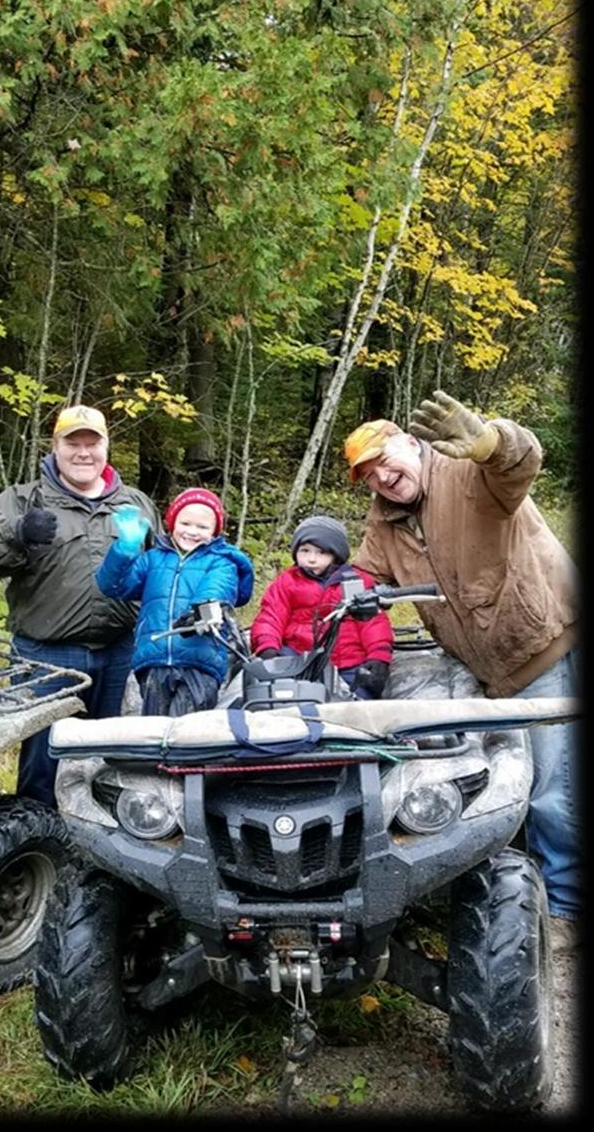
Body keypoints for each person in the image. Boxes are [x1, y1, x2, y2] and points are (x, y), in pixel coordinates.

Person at [344, 390, 581, 951]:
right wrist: (312, 592)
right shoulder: (386, 519)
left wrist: (491, 441)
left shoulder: (469, 474)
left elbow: (521, 460)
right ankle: (522, 893)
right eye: (368, 474)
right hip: (485, 671)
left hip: (544, 647)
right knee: (505, 783)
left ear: (411, 443)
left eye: (384, 460)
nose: (381, 477)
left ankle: (567, 908)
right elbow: (361, 576)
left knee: (553, 788)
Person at [0, 404, 161, 807]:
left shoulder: (136, 504)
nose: (83, 452)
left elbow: (165, 567)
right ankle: (39, 833)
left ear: (106, 447)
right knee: (44, 759)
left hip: (121, 652)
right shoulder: (24, 499)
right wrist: (17, 532)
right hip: (47, 656)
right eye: (73, 443)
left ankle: (104, 832)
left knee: (114, 756)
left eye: (93, 443)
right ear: (55, 446)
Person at [95, 487, 254, 716]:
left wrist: (200, 610)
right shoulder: (152, 559)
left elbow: (218, 588)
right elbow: (112, 585)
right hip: (154, 658)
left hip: (199, 661)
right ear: (172, 523)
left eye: (202, 527)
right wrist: (125, 549)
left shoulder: (222, 561)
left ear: (215, 531)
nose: (192, 532)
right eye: (185, 523)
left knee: (188, 729)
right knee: (155, 728)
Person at [250, 515, 394, 700]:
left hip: (348, 661)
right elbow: (270, 617)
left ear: (336, 554)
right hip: (298, 659)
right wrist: (267, 647)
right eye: (305, 551)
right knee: (280, 694)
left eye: (321, 553)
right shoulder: (287, 582)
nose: (311, 559)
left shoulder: (356, 582)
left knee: (362, 697)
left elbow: (373, 623)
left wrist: (378, 657)